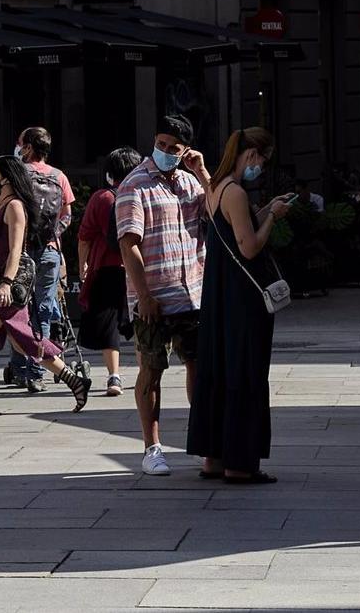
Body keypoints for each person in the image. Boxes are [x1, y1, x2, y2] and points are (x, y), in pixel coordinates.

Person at [0, 156, 90, 416]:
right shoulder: (0, 202)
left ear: (7, 177)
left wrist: (5, 283)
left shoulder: (15, 206)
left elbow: (16, 251)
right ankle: (74, 381)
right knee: (21, 341)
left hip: (7, 287)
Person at [188, 128, 290, 484]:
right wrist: (274, 216)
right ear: (250, 154)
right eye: (261, 159)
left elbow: (232, 231)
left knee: (218, 370)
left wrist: (263, 210)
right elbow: (249, 247)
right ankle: (240, 463)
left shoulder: (214, 188)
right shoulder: (234, 192)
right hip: (242, 301)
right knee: (245, 371)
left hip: (217, 296)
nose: (261, 166)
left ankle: (213, 458)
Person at [118, 114, 210, 476]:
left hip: (193, 293)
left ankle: (202, 439)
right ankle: (151, 447)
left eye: (174, 148)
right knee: (151, 370)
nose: (166, 152)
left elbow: (220, 214)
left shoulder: (190, 183)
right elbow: (129, 244)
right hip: (154, 296)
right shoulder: (135, 185)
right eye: (161, 144)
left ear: (186, 150)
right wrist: (144, 296)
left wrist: (203, 173)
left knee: (199, 368)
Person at [5, 127, 74, 393]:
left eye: (21, 143)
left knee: (16, 308)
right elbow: (67, 214)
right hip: (49, 251)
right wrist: (53, 235)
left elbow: (4, 211)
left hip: (20, 252)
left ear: (29, 148)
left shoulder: (17, 176)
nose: (18, 148)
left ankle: (22, 367)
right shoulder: (59, 176)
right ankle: (35, 372)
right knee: (43, 309)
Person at [78, 146, 142, 397]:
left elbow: (84, 236)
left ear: (110, 173)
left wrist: (82, 265)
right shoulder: (142, 194)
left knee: (109, 324)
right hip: (137, 266)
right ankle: (145, 373)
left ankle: (114, 376)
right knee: (138, 320)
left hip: (106, 268)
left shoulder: (102, 198)